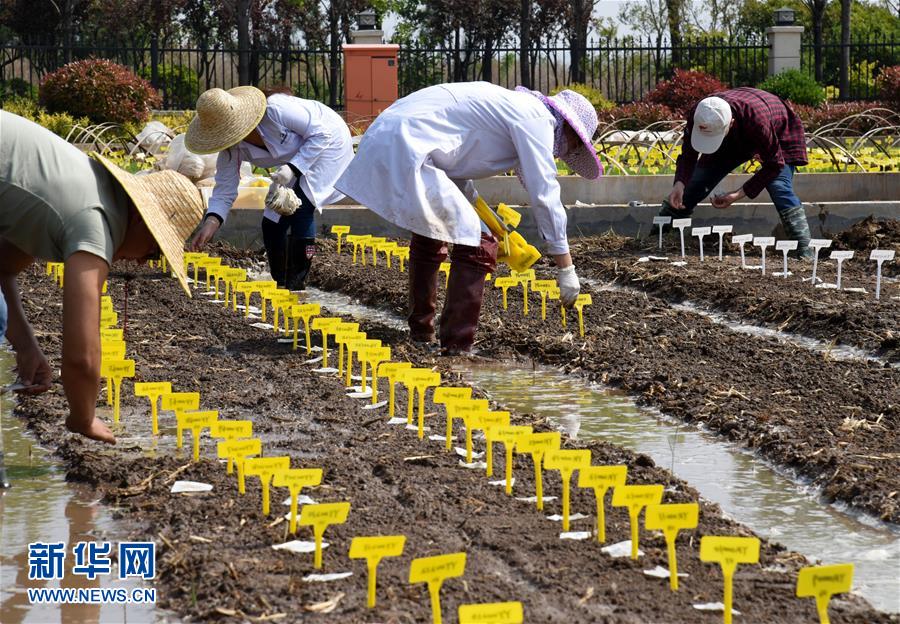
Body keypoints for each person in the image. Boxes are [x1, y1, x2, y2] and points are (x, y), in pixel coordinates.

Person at [335, 82, 601, 355]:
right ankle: (457, 347)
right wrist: (565, 266)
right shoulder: (537, 119)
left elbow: (454, 164)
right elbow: (544, 193)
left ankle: (421, 333)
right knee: (480, 243)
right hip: (407, 143)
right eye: (574, 145)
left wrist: (480, 209)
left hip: (394, 135)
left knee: (433, 233)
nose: (567, 152)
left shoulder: (515, 108)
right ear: (568, 128)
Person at [0, 111, 204, 444]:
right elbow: (81, 355)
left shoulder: (88, 190)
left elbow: (2, 268)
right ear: (140, 219)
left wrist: (26, 347)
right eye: (153, 251)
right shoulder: (96, 220)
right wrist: (83, 417)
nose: (140, 262)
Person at [187, 86, 353, 290]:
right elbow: (224, 189)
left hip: (329, 143)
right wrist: (211, 221)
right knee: (272, 222)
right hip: (295, 160)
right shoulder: (230, 149)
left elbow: (321, 135)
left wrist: (293, 168)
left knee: (301, 206)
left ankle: (296, 283)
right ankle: (280, 282)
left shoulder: (275, 110)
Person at [659, 87, 813, 258]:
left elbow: (774, 164)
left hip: (778, 128)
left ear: (730, 124)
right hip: (734, 136)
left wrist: (737, 194)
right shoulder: (701, 113)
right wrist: (679, 184)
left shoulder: (757, 122)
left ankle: (805, 251)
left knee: (778, 186)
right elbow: (689, 153)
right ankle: (659, 238)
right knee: (695, 183)